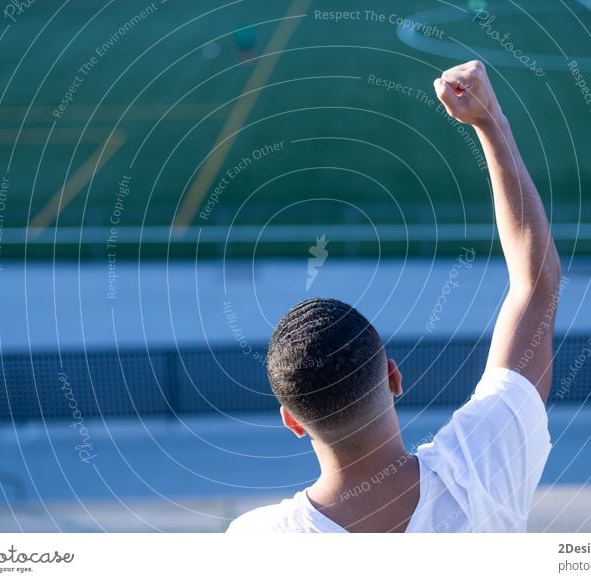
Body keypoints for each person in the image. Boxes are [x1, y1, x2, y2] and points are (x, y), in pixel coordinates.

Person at [227, 60, 561, 533]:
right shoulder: (483, 467)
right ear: (393, 376)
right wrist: (490, 123)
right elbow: (536, 282)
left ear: (292, 421)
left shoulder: (256, 542)